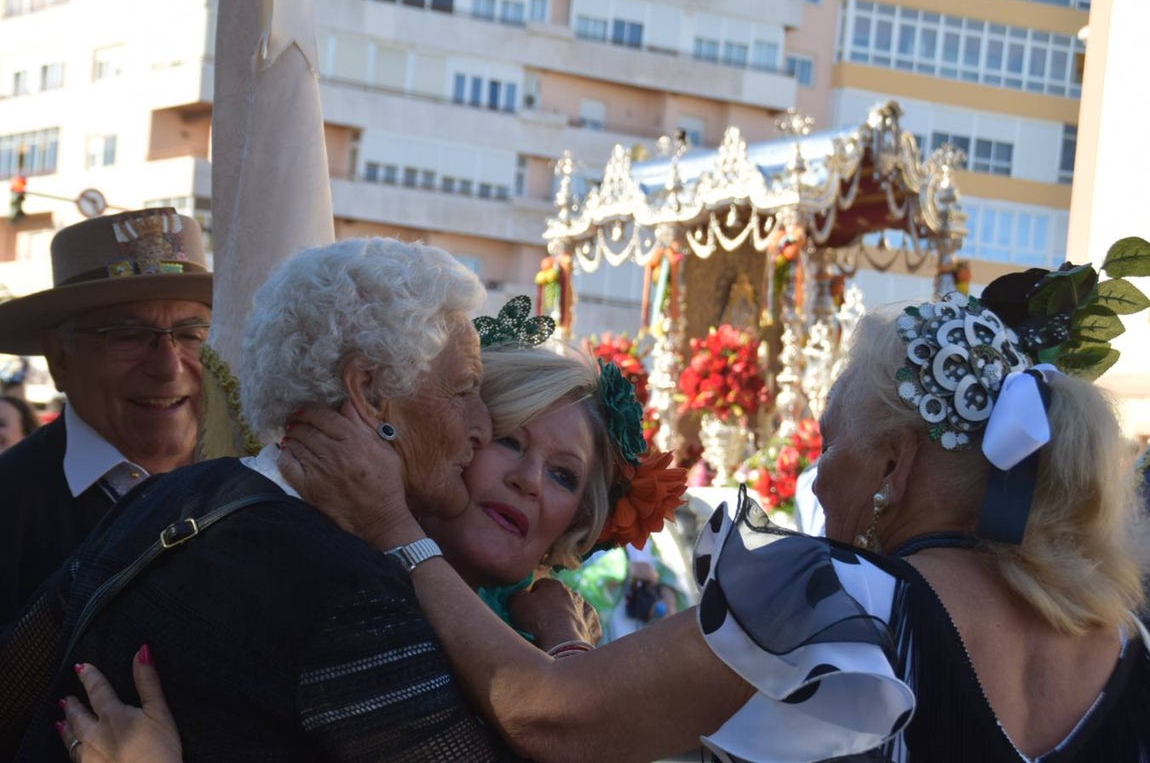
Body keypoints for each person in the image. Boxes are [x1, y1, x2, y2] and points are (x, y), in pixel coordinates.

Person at [57, 286, 1150, 761]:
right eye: (503, 435)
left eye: (834, 449)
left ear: (898, 465)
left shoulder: (848, 598)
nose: (817, 484)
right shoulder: (1126, 649)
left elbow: (554, 719)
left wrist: (403, 534)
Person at [3, 237, 538, 762]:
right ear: (370, 392)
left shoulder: (171, 492)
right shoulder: (351, 593)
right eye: (465, 390)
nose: (483, 428)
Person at [0, 208, 212, 623]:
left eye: (191, 335)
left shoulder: (271, 477)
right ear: (60, 360)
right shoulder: (9, 505)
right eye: (128, 336)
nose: (169, 367)